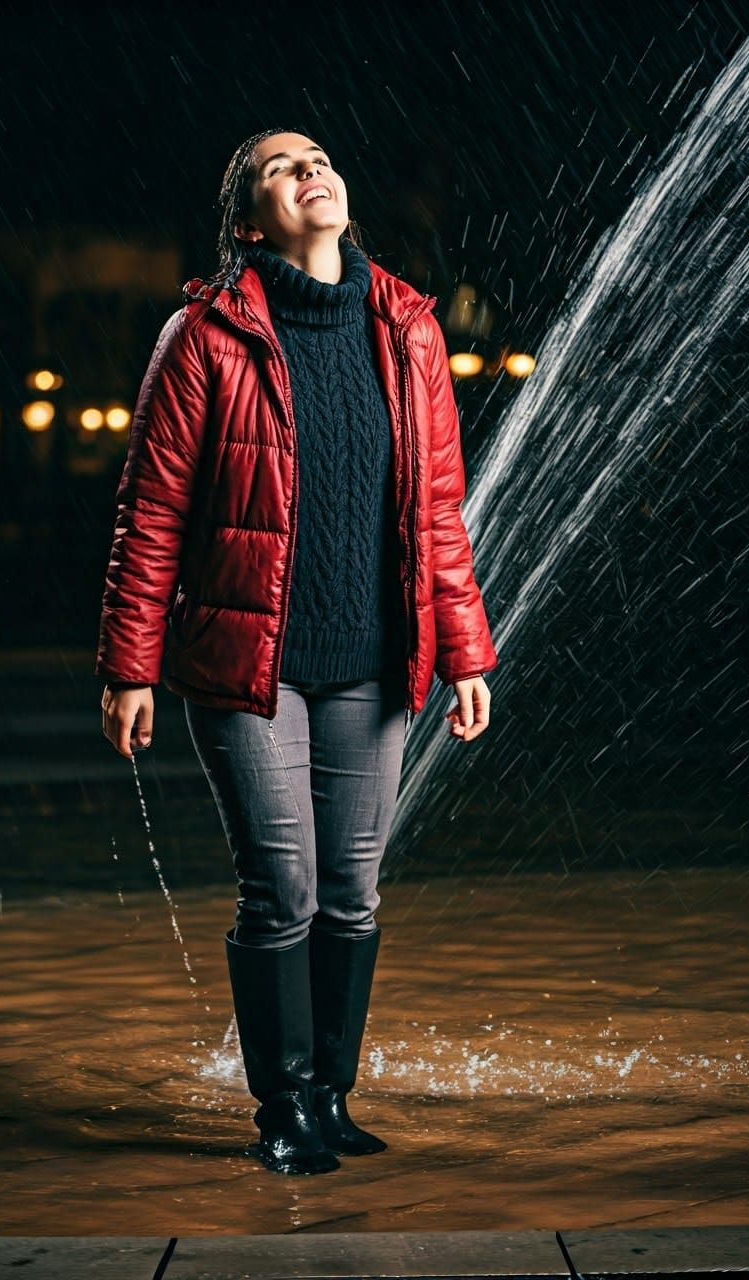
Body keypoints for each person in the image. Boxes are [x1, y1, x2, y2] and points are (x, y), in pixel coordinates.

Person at [96, 127, 499, 1176]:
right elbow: (151, 512)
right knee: (283, 886)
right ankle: (280, 1107)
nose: (307, 170)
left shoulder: (407, 325)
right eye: (280, 167)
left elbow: (439, 512)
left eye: (316, 156)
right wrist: (128, 664)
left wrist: (465, 651)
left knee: (353, 887)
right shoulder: (204, 336)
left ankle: (329, 1092)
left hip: (375, 663)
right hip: (247, 667)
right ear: (247, 220)